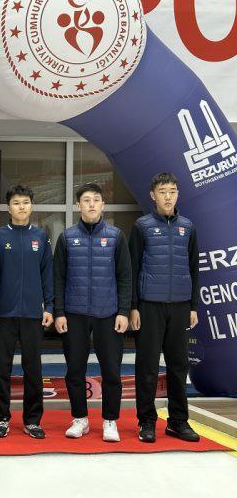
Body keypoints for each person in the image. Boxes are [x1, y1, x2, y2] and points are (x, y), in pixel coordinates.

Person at [54, 183, 131, 442]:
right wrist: (59, 312)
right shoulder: (66, 237)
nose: (91, 204)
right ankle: (80, 419)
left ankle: (110, 421)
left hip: (108, 313)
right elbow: (58, 278)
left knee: (111, 371)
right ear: (78, 205)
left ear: (103, 205)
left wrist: (123, 311)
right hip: (74, 314)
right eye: (86, 200)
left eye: (96, 200)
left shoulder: (116, 236)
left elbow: (125, 277)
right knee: (75, 370)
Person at [130, 173, 200, 443]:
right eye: (162, 191)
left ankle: (178, 421)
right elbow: (133, 268)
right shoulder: (142, 226)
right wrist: (133, 307)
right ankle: (147, 421)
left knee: (178, 365)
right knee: (147, 366)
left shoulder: (188, 227)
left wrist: (193, 306)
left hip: (180, 307)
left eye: (172, 191)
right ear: (153, 195)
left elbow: (193, 268)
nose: (168, 196)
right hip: (149, 306)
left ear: (177, 194)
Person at [0, 185, 54, 439]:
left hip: (32, 314)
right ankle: (1, 418)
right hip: (3, 314)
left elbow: (47, 274)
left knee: (33, 369)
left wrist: (49, 306)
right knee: (1, 368)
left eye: (25, 202)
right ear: (9, 207)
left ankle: (33, 420)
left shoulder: (41, 236)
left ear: (31, 205)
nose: (21, 207)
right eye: (16, 203)